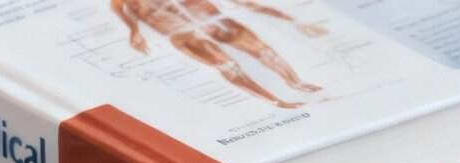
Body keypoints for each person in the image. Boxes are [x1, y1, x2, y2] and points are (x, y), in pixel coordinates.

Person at [111, 0, 327, 109]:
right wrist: (135, 33)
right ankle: (276, 102)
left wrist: (292, 20)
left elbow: (240, 1)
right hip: (183, 32)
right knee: (228, 66)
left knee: (264, 51)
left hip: (214, 21)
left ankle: (296, 82)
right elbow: (131, 23)